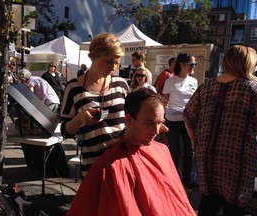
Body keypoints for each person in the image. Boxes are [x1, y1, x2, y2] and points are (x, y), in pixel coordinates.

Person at [66, 88, 195, 216]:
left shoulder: (162, 151)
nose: (156, 131)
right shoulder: (110, 167)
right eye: (149, 123)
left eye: (160, 123)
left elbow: (177, 200)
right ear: (128, 120)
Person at [183, 45, 257, 216]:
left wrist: (196, 142)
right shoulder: (254, 89)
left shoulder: (206, 87)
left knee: (208, 200)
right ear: (248, 64)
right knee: (234, 207)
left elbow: (188, 117)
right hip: (238, 160)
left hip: (206, 156)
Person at [60, 33, 130, 178]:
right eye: (108, 61)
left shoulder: (121, 84)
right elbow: (65, 131)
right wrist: (79, 119)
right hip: (93, 165)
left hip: (123, 160)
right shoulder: (73, 88)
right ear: (93, 55)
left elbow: (132, 118)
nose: (113, 67)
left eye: (116, 63)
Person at [162, 52, 198, 187]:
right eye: (191, 64)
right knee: (175, 152)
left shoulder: (193, 81)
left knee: (190, 151)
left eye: (195, 64)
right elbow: (164, 101)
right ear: (182, 65)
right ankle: (174, 179)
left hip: (189, 120)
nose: (193, 66)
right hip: (173, 120)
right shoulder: (170, 81)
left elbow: (195, 101)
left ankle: (187, 179)